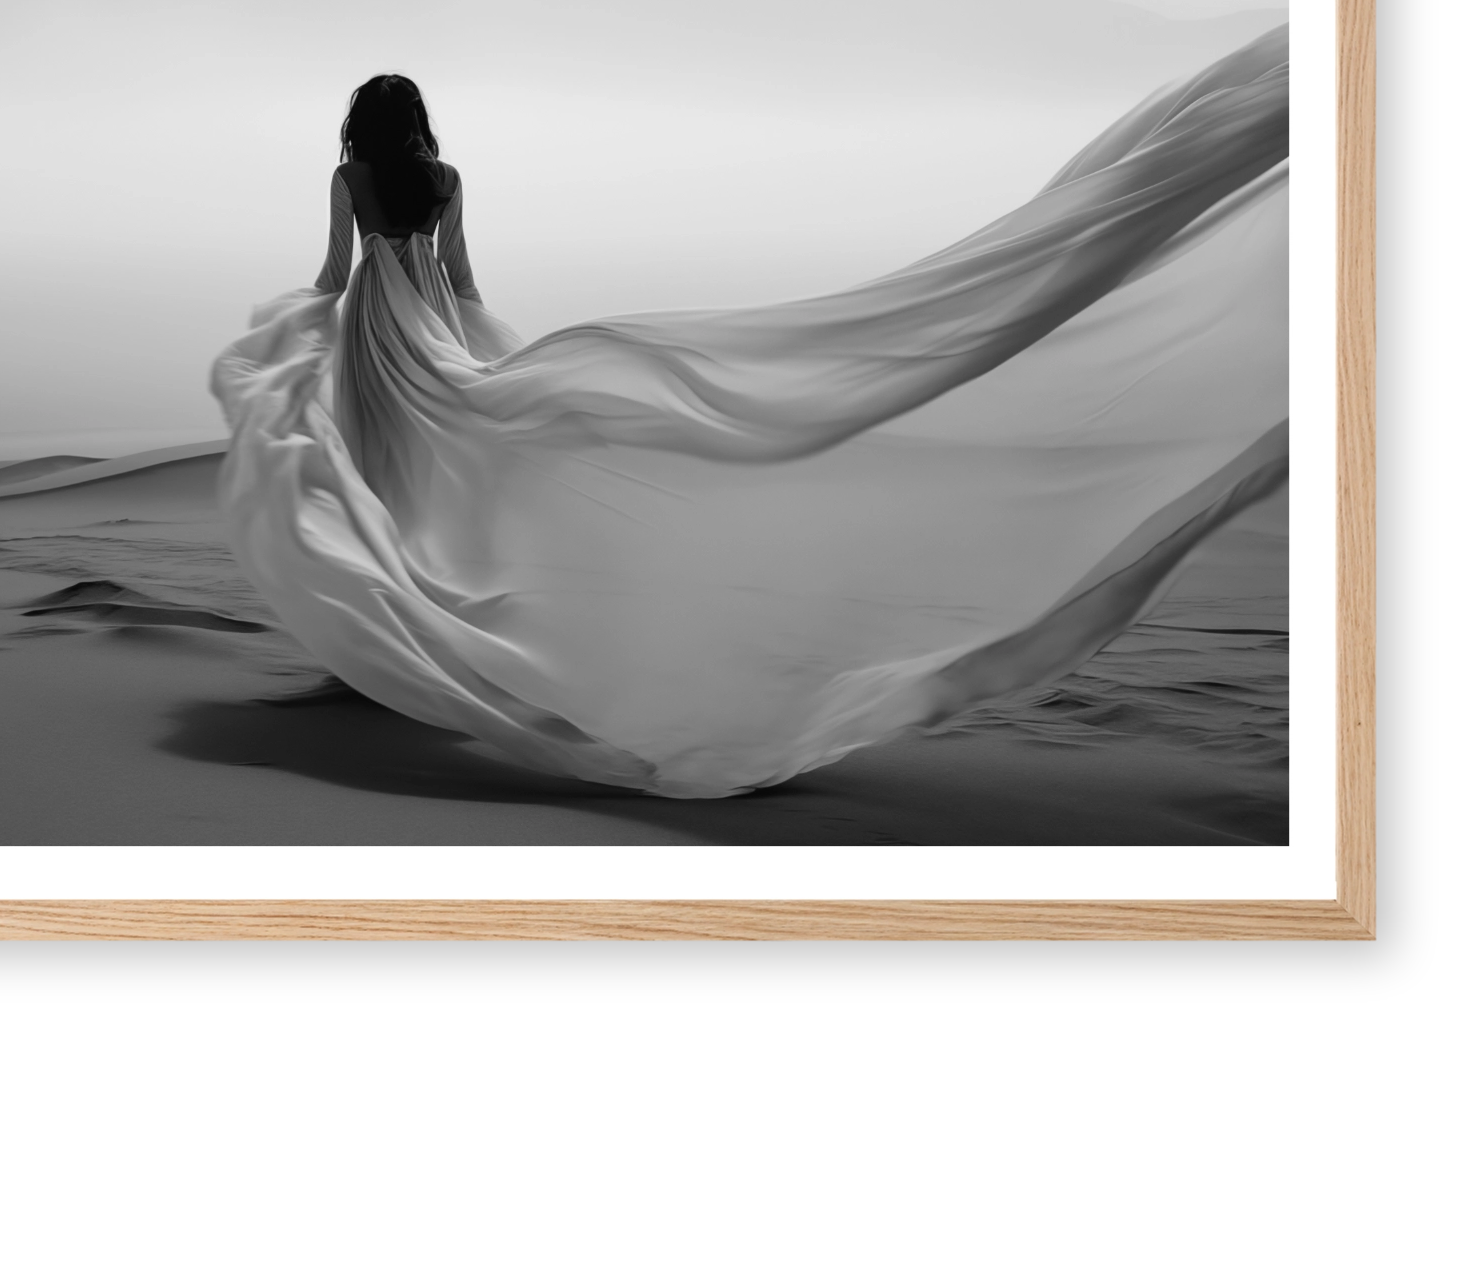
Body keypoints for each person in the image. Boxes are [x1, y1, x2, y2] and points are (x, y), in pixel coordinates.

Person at [210, 41, 1290, 800]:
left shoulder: (349, 175)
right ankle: (414, 638)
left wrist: (298, 329)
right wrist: (495, 351)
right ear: (420, 127)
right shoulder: (443, 176)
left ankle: (379, 651)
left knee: (372, 482)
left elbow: (331, 275)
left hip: (369, 347)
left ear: (361, 127)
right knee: (426, 483)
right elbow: (456, 273)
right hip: (432, 341)